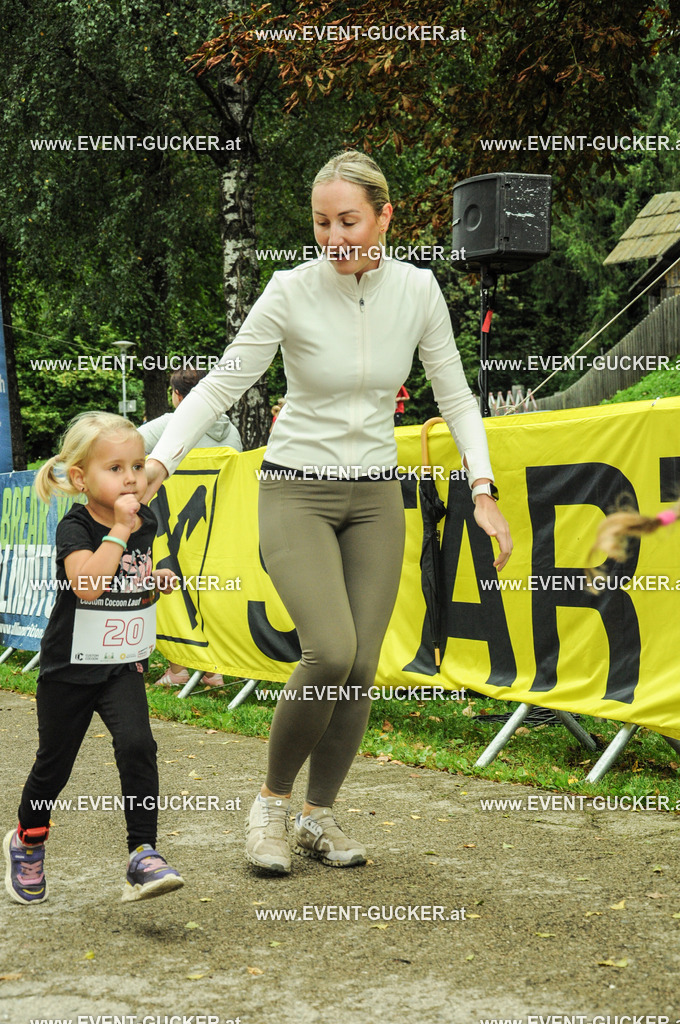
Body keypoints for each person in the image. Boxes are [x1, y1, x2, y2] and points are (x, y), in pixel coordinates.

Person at [143, 149, 512, 875]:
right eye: (321, 223)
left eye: (350, 220)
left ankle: (319, 816)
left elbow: (458, 397)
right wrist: (162, 461)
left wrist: (484, 491)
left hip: (376, 496)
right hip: (294, 489)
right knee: (331, 652)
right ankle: (270, 807)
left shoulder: (418, 291)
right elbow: (220, 386)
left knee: (364, 665)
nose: (335, 236)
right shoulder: (288, 290)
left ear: (385, 217)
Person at [3, 412, 184, 904]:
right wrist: (121, 531)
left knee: (138, 745)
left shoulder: (144, 518)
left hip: (122, 664)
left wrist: (153, 581)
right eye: (115, 467)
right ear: (82, 478)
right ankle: (28, 839)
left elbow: (128, 579)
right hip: (69, 668)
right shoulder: (76, 525)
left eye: (137, 465)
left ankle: (143, 853)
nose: (130, 477)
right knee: (54, 766)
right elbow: (87, 584)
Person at [139, 368, 242, 688]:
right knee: (207, 594)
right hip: (219, 527)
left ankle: (179, 669)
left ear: (179, 396)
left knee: (173, 593)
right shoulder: (232, 431)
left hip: (174, 526)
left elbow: (125, 443)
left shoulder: (171, 423)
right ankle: (212, 670)